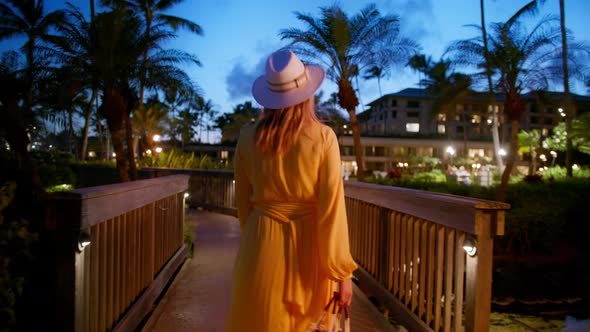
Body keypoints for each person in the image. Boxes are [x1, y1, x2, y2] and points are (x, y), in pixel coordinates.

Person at [226, 48, 358, 331]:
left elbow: (244, 206)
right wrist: (341, 273)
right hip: (308, 249)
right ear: (307, 93)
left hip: (260, 244)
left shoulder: (248, 138)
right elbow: (332, 208)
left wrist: (257, 236)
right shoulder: (323, 138)